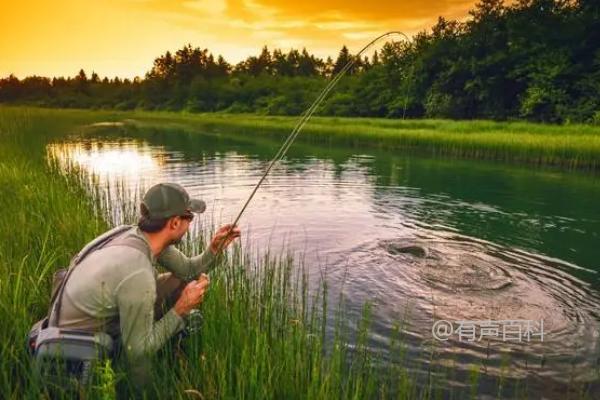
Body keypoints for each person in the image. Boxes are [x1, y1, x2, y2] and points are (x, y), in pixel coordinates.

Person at [53, 182, 240, 385]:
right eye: (190, 217)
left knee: (180, 280)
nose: (190, 224)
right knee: (141, 353)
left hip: (88, 316)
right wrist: (181, 308)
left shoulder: (137, 235)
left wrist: (214, 249)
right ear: (175, 223)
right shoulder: (137, 271)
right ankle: (141, 390)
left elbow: (187, 271)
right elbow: (137, 350)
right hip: (77, 346)